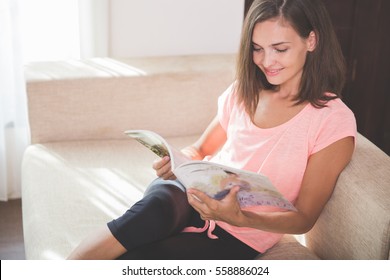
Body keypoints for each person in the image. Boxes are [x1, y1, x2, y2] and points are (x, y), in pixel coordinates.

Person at [67, 0, 356, 260]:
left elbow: (304, 218)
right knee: (153, 212)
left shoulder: (332, 121)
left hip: (240, 232)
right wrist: (177, 163)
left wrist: (239, 217)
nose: (266, 62)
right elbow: (201, 149)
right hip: (187, 194)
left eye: (280, 49)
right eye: (257, 48)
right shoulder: (246, 91)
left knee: (136, 260)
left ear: (312, 41)